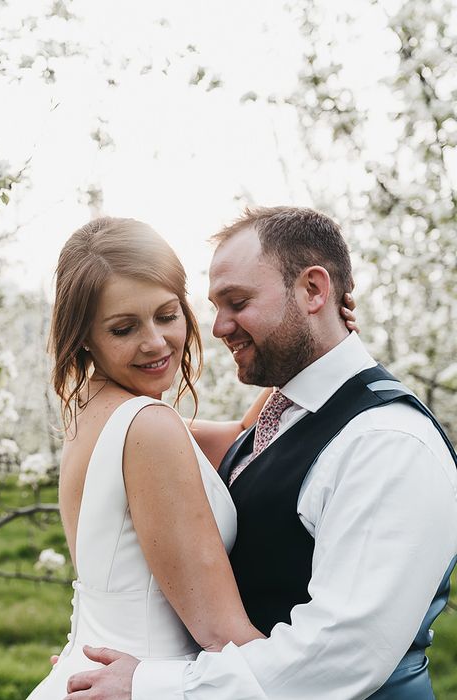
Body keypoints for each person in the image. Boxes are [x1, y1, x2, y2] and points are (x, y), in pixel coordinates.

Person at [64, 206, 457, 700]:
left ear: (315, 290)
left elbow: (341, 655)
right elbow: (259, 437)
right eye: (214, 306)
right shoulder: (169, 429)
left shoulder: (388, 444)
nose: (218, 327)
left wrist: (151, 682)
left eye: (237, 302)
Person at [27, 215, 357, 700]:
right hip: (145, 683)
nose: (156, 343)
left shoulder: (94, 411)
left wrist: (327, 346)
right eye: (123, 328)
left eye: (166, 315)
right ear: (84, 337)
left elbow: (248, 434)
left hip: (89, 675)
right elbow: (223, 636)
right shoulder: (148, 428)